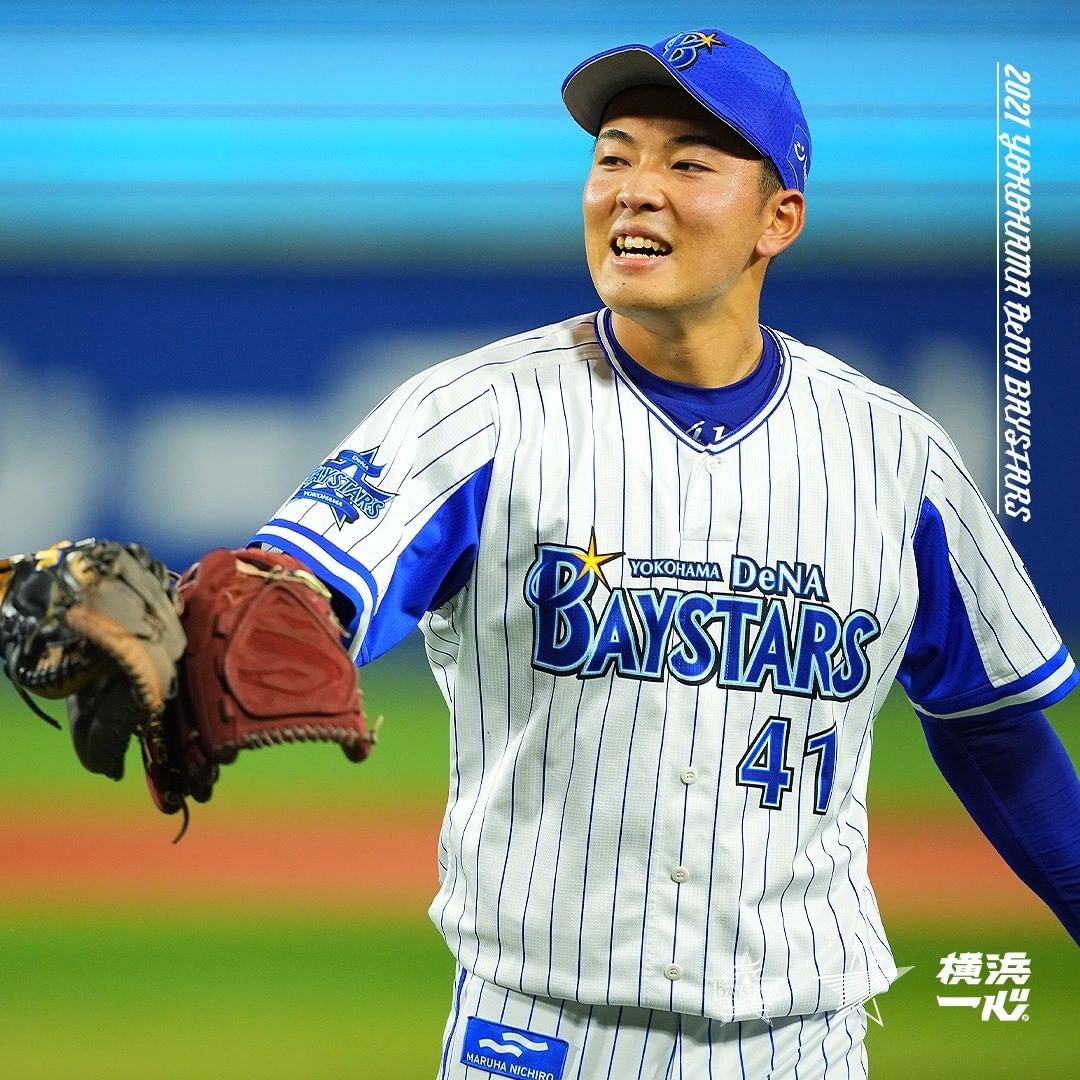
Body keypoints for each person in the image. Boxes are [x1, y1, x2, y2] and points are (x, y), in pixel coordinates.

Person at [248, 28, 1079, 1080]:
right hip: (538, 1037)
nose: (635, 189)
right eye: (614, 157)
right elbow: (297, 599)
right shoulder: (475, 413)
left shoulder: (896, 454)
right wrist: (235, 628)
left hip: (804, 1043)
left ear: (779, 219)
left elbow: (995, 727)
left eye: (688, 162)